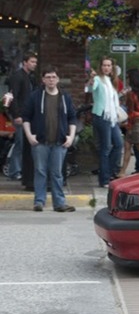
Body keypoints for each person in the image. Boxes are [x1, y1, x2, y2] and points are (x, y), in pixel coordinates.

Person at [21, 65, 76, 212]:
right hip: (40, 142)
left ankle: (59, 203)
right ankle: (39, 202)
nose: (51, 80)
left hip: (59, 142)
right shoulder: (35, 96)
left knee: (57, 173)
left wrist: (70, 136)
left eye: (53, 77)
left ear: (58, 79)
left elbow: (72, 118)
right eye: (48, 77)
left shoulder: (65, 97)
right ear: (43, 80)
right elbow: (25, 117)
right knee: (40, 171)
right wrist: (29, 135)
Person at [88, 56, 123, 188]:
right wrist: (91, 79)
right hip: (102, 115)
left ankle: (109, 172)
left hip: (112, 117)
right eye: (104, 65)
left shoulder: (112, 81)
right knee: (106, 148)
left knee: (119, 144)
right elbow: (92, 88)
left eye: (109, 65)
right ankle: (104, 179)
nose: (106, 68)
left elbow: (113, 99)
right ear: (100, 67)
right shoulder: (97, 79)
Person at [7, 52, 37, 181]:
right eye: (32, 62)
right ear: (25, 62)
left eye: (35, 62)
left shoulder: (29, 77)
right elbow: (12, 97)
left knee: (24, 144)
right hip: (20, 116)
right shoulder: (18, 76)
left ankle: (22, 169)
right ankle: (14, 170)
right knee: (19, 144)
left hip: (27, 115)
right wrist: (16, 115)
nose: (34, 64)